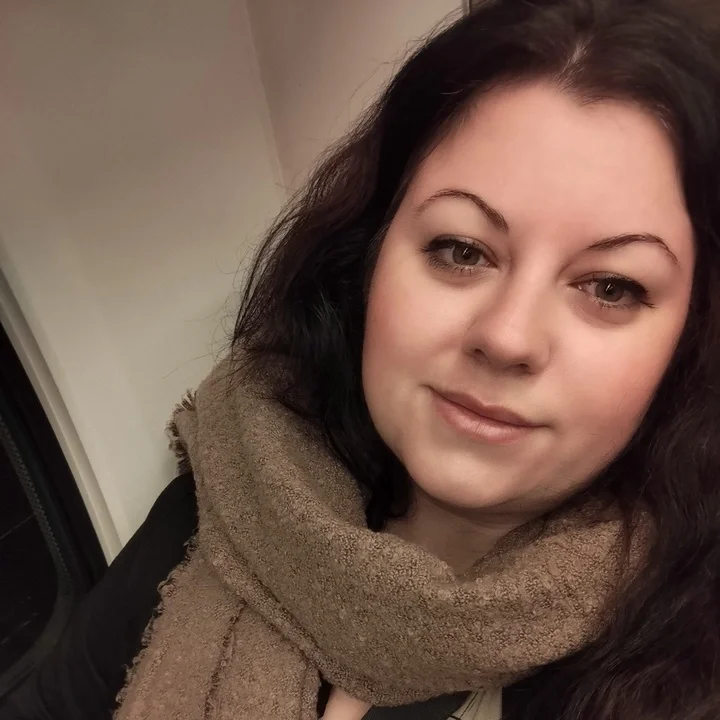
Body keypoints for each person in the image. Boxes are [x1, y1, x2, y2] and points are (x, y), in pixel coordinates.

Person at [4, 0, 720, 718]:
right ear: (369, 258)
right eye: (461, 250)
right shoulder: (235, 481)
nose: (507, 337)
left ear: (691, 340)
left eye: (611, 287)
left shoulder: (687, 665)